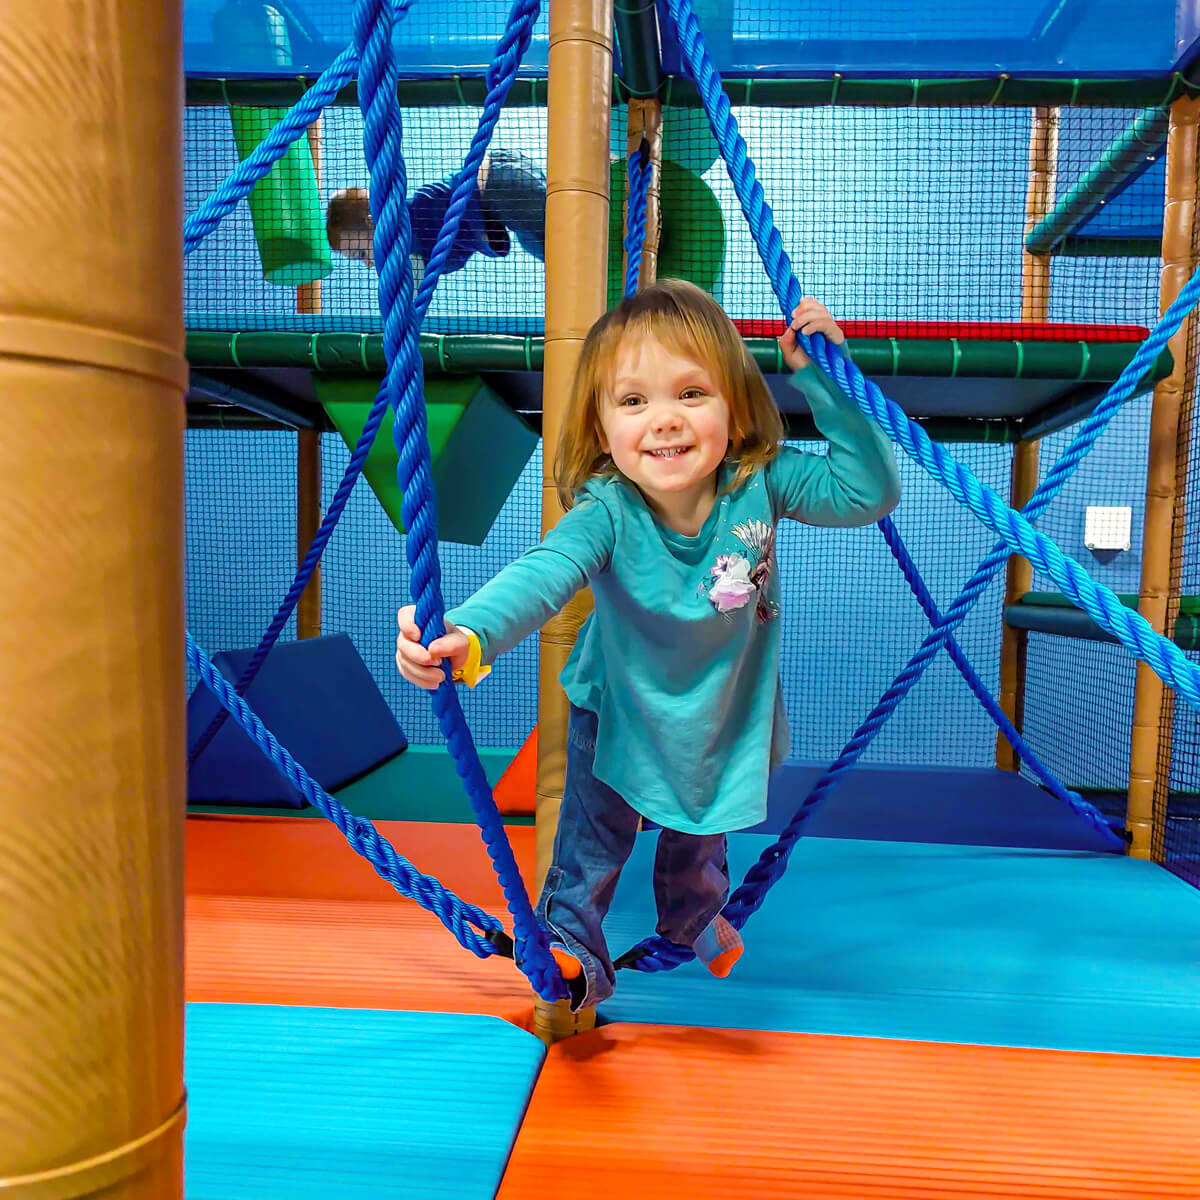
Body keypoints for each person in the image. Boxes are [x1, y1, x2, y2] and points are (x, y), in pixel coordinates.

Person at [395, 280, 900, 1010]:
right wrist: (467, 633)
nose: (664, 420)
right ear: (603, 430)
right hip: (621, 700)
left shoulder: (762, 482)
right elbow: (545, 572)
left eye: (691, 394)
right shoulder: (610, 507)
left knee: (704, 827)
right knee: (592, 839)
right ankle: (571, 947)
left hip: (722, 701)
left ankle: (692, 916)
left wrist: (825, 379)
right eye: (633, 402)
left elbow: (867, 490)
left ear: (734, 404)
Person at [326, 148, 546, 280]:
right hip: (506, 185)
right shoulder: (421, 245)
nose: (368, 264)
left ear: (374, 223)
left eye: (361, 254)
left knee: (559, 240)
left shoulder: (415, 215)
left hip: (500, 183)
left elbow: (414, 278)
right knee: (549, 249)